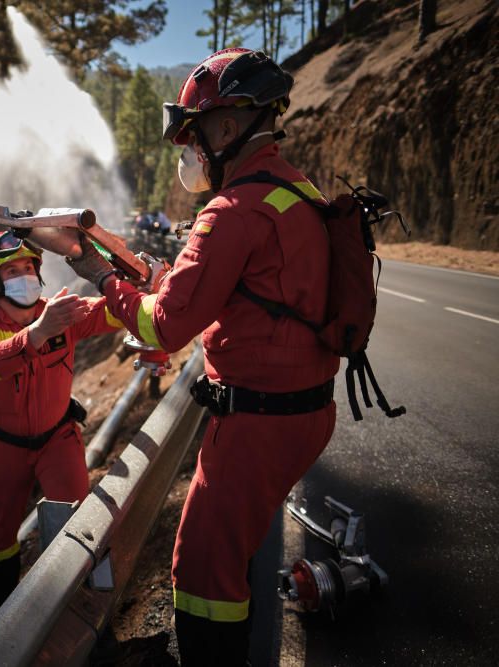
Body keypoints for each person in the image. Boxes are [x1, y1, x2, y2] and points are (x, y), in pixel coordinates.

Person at [67, 48, 339, 666]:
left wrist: (100, 277)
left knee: (200, 573)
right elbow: (255, 297)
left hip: (256, 426)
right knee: (233, 549)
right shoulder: (297, 192)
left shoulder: (231, 213)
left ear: (226, 126)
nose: (190, 151)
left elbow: (163, 329)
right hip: (307, 410)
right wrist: (163, 282)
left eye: (193, 134)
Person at [0, 230, 122, 640]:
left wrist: (126, 279)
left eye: (30, 268)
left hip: (57, 439)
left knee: (80, 523)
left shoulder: (60, 313)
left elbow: (116, 313)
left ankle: (91, 623)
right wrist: (37, 333)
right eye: (12, 271)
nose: (25, 277)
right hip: (5, 448)